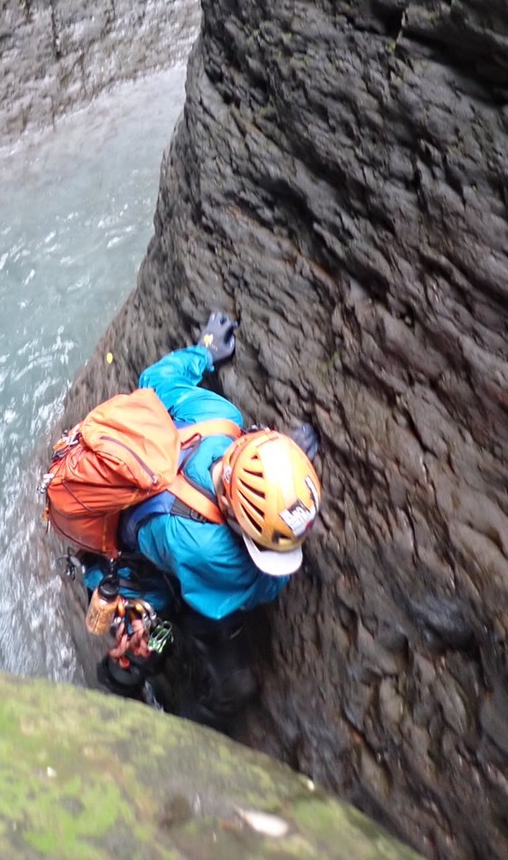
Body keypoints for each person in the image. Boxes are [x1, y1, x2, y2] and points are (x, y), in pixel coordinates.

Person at [83, 311, 322, 733]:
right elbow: (264, 586)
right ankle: (168, 728)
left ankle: (125, 676)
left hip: (136, 530)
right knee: (185, 652)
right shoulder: (216, 555)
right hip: (146, 575)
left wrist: (205, 352)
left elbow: (154, 379)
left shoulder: (215, 417)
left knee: (159, 618)